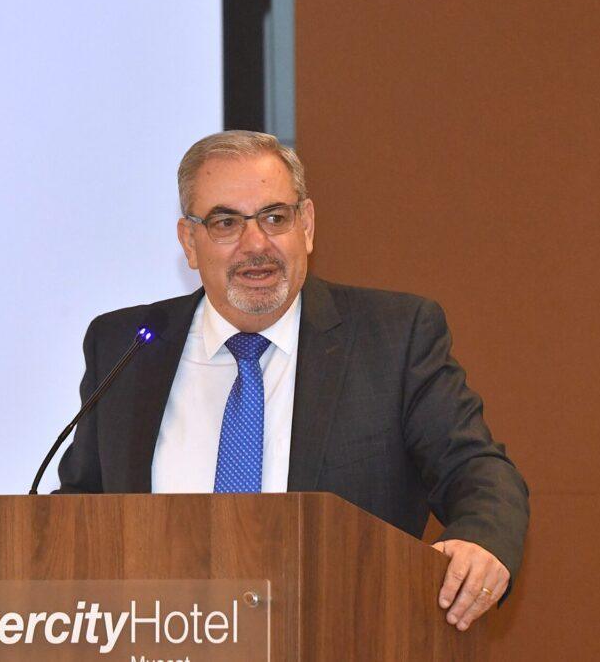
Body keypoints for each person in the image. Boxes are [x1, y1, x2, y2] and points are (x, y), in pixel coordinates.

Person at [56, 130, 529, 632]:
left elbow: (474, 467)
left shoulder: (392, 338)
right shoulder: (125, 345)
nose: (256, 244)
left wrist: (482, 540)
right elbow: (81, 507)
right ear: (189, 242)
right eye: (225, 222)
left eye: (274, 217)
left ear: (306, 225)